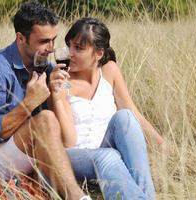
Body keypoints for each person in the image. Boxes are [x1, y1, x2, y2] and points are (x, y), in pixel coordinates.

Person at [0, 1, 91, 200]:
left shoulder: (46, 68)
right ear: (20, 38)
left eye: (54, 40)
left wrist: (55, 94)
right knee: (46, 119)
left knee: (52, 121)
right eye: (43, 41)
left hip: (28, 151)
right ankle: (78, 197)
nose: (51, 48)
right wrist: (29, 103)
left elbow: (61, 135)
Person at [50, 17, 164, 199]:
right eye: (69, 45)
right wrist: (56, 96)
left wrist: (163, 145)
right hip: (75, 156)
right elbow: (69, 142)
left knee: (125, 117)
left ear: (99, 54)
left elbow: (134, 114)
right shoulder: (63, 81)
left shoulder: (110, 70)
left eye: (79, 48)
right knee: (108, 156)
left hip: (107, 149)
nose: (70, 53)